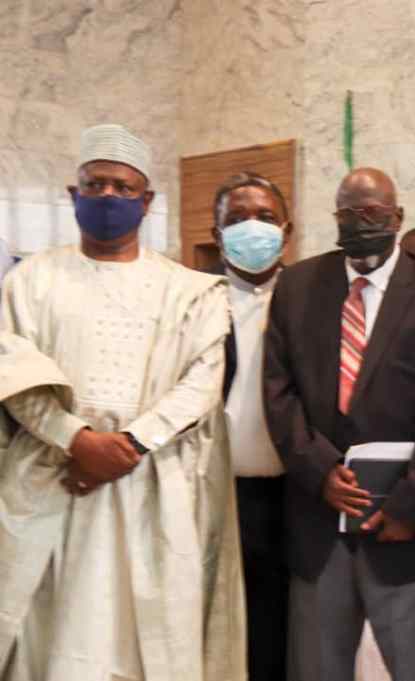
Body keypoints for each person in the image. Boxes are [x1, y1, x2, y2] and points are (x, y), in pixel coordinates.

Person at [0, 124, 245, 680]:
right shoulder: (29, 280)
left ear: (147, 200)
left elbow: (202, 383)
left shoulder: (190, 291)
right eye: (95, 184)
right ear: (73, 194)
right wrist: (77, 440)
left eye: (123, 186)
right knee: (50, 638)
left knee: (148, 647)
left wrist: (129, 445)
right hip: (56, 482)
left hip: (153, 487)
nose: (108, 196)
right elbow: (13, 372)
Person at [263, 167, 415, 681]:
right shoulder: (298, 285)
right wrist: (320, 471)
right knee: (316, 669)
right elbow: (278, 391)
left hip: (405, 526)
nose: (362, 222)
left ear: (398, 217)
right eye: (349, 213)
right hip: (318, 523)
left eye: (374, 211)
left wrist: (413, 500)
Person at [210, 171, 293, 681]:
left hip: (295, 493)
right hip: (216, 493)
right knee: (222, 623)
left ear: (287, 229)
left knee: (281, 625)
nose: (252, 227)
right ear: (217, 234)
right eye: (237, 218)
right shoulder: (195, 300)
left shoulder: (311, 298)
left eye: (264, 217)